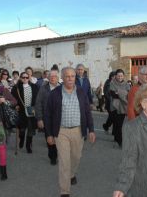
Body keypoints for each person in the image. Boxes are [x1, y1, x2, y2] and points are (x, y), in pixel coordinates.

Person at [45, 67, 96, 197]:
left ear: (75, 77)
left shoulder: (80, 92)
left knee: (76, 157)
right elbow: (48, 115)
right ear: (62, 78)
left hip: (78, 130)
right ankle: (64, 191)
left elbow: (87, 112)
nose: (70, 78)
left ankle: (72, 174)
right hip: (61, 131)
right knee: (64, 161)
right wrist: (49, 134)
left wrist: (91, 129)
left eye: (72, 76)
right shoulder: (55, 93)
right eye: (67, 76)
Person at [35, 69, 60, 165]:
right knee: (50, 138)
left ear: (58, 78)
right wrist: (40, 119)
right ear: (48, 78)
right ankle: (52, 156)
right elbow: (38, 104)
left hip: (60, 119)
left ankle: (59, 154)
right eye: (51, 76)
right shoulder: (43, 89)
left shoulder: (62, 88)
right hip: (47, 119)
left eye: (55, 76)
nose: (53, 78)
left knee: (59, 139)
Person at [11, 72, 38, 153]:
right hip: (21, 111)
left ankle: (28, 146)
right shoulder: (16, 88)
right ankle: (21, 139)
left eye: (27, 77)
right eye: (23, 77)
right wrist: (15, 106)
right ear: (20, 78)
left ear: (29, 77)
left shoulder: (34, 86)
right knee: (22, 129)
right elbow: (12, 99)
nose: (25, 79)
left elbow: (38, 98)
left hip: (31, 110)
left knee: (31, 129)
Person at [109, 69, 130, 147]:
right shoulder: (112, 83)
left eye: (121, 76)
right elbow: (113, 94)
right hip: (115, 106)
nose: (120, 77)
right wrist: (123, 93)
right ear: (116, 76)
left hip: (123, 106)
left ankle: (117, 138)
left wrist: (119, 92)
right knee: (117, 124)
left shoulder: (126, 84)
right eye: (118, 76)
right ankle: (120, 141)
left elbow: (128, 94)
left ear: (123, 76)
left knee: (120, 124)